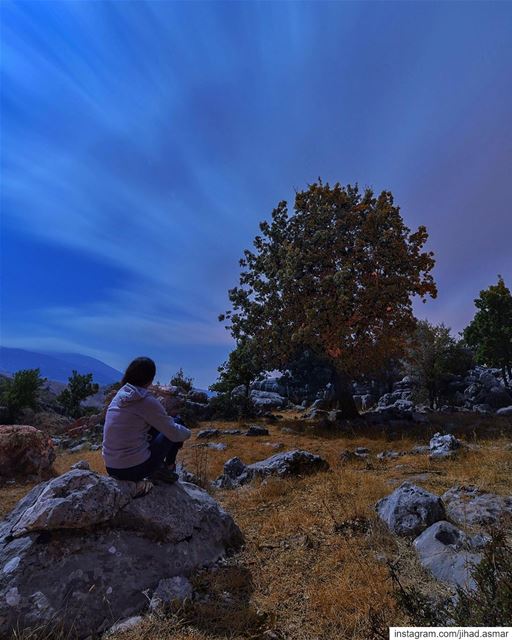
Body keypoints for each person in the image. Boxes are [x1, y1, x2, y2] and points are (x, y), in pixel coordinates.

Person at [102, 356, 191, 484]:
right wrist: (188, 433)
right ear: (150, 379)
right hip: (134, 469)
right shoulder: (146, 401)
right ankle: (168, 468)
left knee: (157, 426)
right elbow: (174, 432)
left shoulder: (119, 397)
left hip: (111, 467)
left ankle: (163, 468)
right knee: (176, 423)